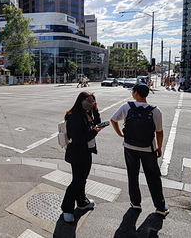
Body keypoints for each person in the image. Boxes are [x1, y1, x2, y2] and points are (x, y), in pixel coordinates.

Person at [110, 83, 169, 216]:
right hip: (148, 149)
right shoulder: (155, 110)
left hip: (130, 147)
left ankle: (136, 203)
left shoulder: (127, 107)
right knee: (153, 177)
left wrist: (120, 134)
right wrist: (159, 147)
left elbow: (113, 119)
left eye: (133, 91)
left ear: (136, 93)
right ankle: (160, 206)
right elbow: (159, 132)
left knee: (133, 175)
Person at [61, 92, 105, 223]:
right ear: (80, 101)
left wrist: (96, 110)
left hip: (86, 152)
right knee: (77, 181)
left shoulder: (87, 113)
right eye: (87, 100)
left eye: (92, 101)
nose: (90, 103)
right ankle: (67, 208)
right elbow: (78, 138)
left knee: (82, 178)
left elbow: (97, 123)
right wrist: (94, 132)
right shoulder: (74, 116)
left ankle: (81, 201)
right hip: (77, 153)